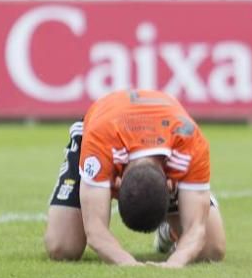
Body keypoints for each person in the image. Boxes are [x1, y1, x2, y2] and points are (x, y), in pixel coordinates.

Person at [44, 89, 226, 267]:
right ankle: (174, 226)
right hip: (102, 128)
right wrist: (127, 262)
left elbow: (197, 229)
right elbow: (95, 230)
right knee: (63, 247)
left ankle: (169, 231)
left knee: (211, 250)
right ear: (115, 183)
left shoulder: (190, 142)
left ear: (171, 186)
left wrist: (175, 263)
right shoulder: (100, 143)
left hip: (161, 132)